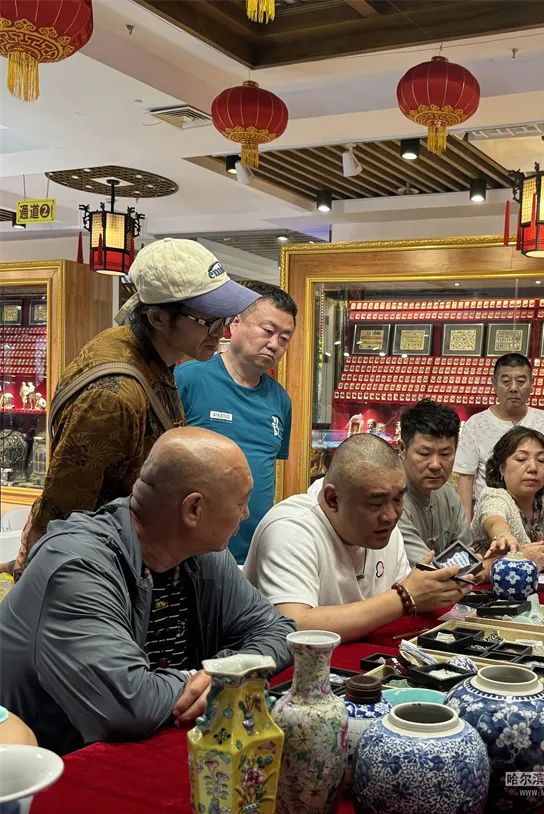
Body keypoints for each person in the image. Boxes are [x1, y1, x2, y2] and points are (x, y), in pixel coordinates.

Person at [0, 428, 295, 755]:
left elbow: (280, 632)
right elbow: (128, 705)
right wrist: (216, 679)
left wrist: (230, 670)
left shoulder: (200, 554)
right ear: (193, 510)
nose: (245, 514)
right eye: (241, 502)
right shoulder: (76, 566)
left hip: (146, 748)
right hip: (48, 768)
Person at [10, 238, 260, 576]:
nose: (222, 331)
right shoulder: (113, 396)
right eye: (209, 321)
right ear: (157, 318)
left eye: (225, 317)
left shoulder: (149, 353)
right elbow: (64, 517)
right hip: (98, 571)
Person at [246, 434, 468, 643]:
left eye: (398, 499)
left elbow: (402, 597)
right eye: (376, 503)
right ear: (332, 499)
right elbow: (294, 625)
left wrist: (435, 591)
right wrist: (404, 597)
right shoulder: (291, 527)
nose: (391, 516)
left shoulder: (385, 527)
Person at [176, 283, 296, 564]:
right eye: (268, 331)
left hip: (253, 555)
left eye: (284, 338)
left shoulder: (280, 400)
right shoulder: (187, 379)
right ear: (236, 323)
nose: (274, 344)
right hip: (191, 554)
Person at [396, 399, 504, 575]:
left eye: (445, 454)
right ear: (402, 448)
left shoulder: (449, 494)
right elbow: (429, 571)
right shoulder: (391, 502)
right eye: (424, 453)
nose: (435, 464)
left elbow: (467, 556)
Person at [453, 353, 544, 517]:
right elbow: (466, 479)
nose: (513, 388)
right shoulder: (475, 424)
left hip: (536, 518)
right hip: (490, 517)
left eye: (521, 381)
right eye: (505, 381)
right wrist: (465, 525)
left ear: (532, 384)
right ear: (494, 384)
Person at [470, 426, 544, 572]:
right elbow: (493, 521)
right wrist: (504, 536)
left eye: (541, 460)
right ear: (501, 467)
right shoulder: (493, 495)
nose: (533, 468)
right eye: (521, 459)